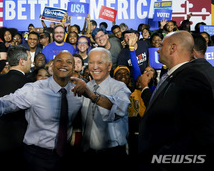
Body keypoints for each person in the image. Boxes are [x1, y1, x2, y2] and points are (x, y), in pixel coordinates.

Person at [0, 51, 84, 171]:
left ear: (74, 68)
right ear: (52, 66)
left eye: (69, 62)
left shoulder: (78, 93)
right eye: (59, 61)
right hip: (36, 156)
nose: (64, 64)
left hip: (66, 157)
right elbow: (2, 105)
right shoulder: (34, 89)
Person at [138, 31, 214, 171]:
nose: (158, 49)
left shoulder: (191, 79)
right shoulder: (176, 76)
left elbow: (201, 133)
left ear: (172, 48)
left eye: (161, 45)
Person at [73, 47, 131, 170]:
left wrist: (92, 95)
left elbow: (119, 108)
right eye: (92, 62)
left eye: (100, 63)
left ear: (109, 66)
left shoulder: (120, 87)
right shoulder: (86, 86)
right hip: (88, 153)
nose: (94, 67)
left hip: (113, 155)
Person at [0, 45, 32, 171]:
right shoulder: (31, 85)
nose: (31, 62)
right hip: (19, 144)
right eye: (29, 59)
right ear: (22, 61)